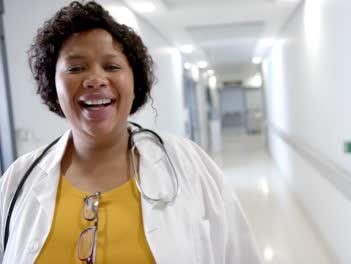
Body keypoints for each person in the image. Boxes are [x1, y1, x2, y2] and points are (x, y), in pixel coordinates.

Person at [0, 1, 262, 263]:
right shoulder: (17, 181)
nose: (95, 79)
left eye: (112, 67)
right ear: (52, 83)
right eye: (76, 68)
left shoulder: (190, 165)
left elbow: (240, 254)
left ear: (135, 81)